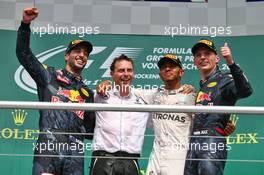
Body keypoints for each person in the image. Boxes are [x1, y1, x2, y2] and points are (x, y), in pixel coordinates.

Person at [16, 7, 95, 175]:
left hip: (76, 152)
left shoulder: (87, 92)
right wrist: (25, 24)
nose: (82, 55)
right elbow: (23, 54)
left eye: (86, 53)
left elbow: (90, 131)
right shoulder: (49, 75)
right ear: (67, 56)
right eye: (77, 51)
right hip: (48, 148)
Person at [184, 39, 253, 175]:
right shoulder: (202, 86)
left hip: (212, 140)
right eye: (198, 55)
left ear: (216, 59)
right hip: (194, 142)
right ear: (194, 61)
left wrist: (231, 63)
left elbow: (246, 91)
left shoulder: (225, 79)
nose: (202, 57)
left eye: (207, 54)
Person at [89, 54, 149, 175]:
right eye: (121, 70)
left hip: (131, 160)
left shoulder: (143, 99)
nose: (126, 74)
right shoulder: (99, 95)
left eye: (129, 70)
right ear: (112, 74)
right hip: (103, 159)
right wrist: (103, 83)